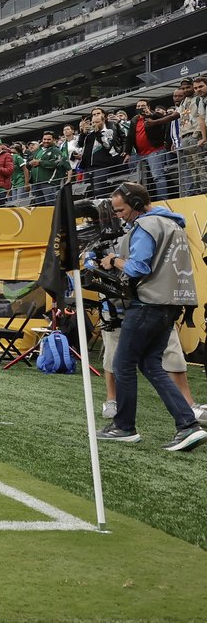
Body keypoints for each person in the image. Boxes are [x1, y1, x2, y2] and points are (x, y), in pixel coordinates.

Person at [95, 183, 207, 452]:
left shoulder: (146, 226)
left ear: (134, 203)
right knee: (150, 365)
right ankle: (188, 425)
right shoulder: (173, 224)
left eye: (121, 209)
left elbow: (137, 267)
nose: (119, 214)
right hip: (173, 303)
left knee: (123, 363)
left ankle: (124, 427)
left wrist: (112, 261)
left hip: (149, 303)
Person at [27, 131, 69, 207]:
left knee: (50, 204)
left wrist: (40, 162)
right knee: (39, 205)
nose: (46, 141)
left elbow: (57, 163)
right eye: (44, 139)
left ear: (53, 140)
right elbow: (29, 162)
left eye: (49, 139)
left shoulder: (56, 150)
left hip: (48, 182)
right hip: (36, 183)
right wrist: (30, 163)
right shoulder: (38, 151)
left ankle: (53, 219)